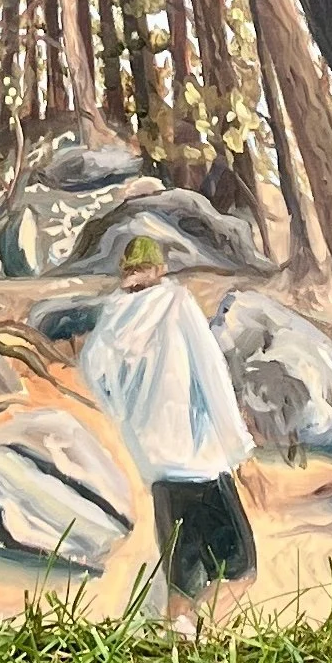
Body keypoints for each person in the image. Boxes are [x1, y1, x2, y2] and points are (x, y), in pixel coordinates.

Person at [80, 234, 258, 636]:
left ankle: (179, 636)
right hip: (202, 463)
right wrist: (239, 449)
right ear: (159, 268)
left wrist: (128, 417)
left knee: (181, 581)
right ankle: (198, 636)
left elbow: (93, 370)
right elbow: (213, 375)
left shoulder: (112, 318)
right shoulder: (177, 303)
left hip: (158, 468)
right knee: (241, 571)